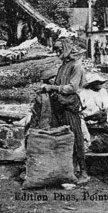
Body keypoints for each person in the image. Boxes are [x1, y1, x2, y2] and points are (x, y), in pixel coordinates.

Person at [42, 37, 89, 184]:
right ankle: (67, 170)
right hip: (59, 105)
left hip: (69, 105)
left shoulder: (76, 66)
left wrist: (53, 88)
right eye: (55, 49)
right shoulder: (63, 66)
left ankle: (83, 172)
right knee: (61, 136)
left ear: (67, 49)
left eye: (59, 49)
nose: (57, 52)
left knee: (75, 136)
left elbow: (72, 88)